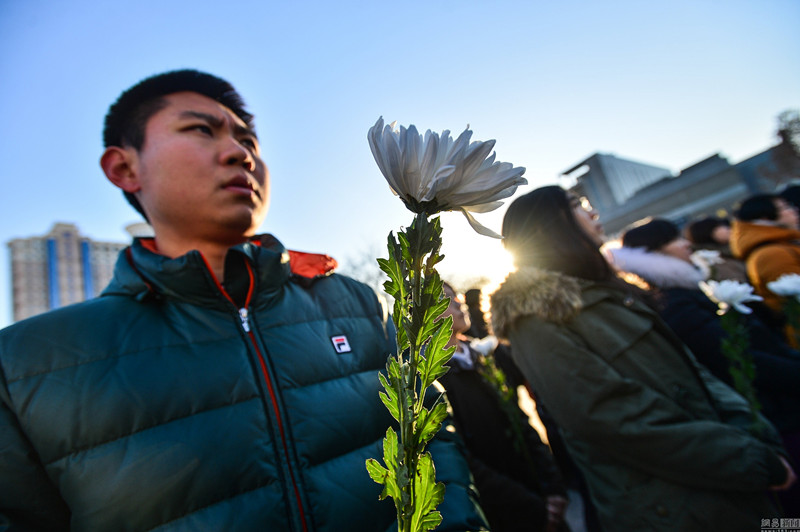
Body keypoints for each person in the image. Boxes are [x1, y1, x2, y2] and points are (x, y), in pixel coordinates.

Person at [0, 70, 487, 531]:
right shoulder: (28, 367)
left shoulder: (355, 304)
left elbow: (427, 433)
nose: (240, 154)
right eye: (202, 130)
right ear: (124, 167)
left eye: (248, 140)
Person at [489, 186, 796, 532]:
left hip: (727, 479)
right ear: (548, 225)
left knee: (784, 526)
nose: (593, 213)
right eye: (578, 205)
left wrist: (754, 434)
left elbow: (694, 371)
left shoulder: (611, 291)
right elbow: (611, 417)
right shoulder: (535, 318)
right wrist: (746, 458)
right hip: (671, 506)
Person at [611, 218, 800, 515]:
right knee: (788, 517)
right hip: (771, 419)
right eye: (674, 239)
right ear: (653, 253)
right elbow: (739, 360)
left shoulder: (691, 291)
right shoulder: (677, 305)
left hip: (778, 408)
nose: (687, 243)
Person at [437, 282, 569, 532]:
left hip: (540, 494)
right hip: (506, 514)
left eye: (457, 296)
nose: (458, 302)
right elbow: (462, 462)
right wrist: (532, 508)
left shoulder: (483, 357)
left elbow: (520, 421)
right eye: (446, 298)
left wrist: (553, 487)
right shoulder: (432, 382)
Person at [730, 193, 800, 319]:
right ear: (765, 217)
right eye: (785, 207)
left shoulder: (781, 243)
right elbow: (794, 299)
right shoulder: (771, 255)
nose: (793, 210)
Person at [683, 216, 748, 282]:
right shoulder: (715, 260)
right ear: (707, 234)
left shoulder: (730, 250)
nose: (727, 229)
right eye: (718, 227)